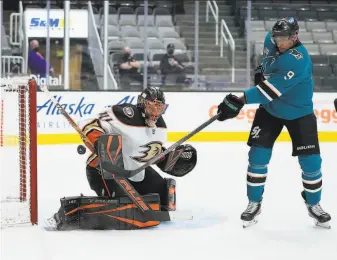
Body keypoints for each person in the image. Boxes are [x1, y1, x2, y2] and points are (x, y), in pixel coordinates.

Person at [216, 17, 331, 228]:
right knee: (257, 156)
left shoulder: (298, 59)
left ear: (295, 36)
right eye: (277, 37)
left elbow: (269, 91)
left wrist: (240, 99)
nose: (280, 42)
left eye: (285, 38)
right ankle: (254, 203)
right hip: (270, 111)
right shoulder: (271, 39)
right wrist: (261, 71)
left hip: (299, 113)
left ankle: (314, 203)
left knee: (311, 162)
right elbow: (266, 64)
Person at [45, 87, 197, 230]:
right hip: (104, 170)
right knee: (126, 207)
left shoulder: (160, 127)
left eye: (160, 108)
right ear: (142, 104)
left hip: (135, 172)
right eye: (152, 107)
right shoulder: (126, 113)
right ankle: (72, 213)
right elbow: (89, 124)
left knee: (163, 195)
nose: (156, 113)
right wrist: (99, 141)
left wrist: (169, 159)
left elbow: (150, 153)